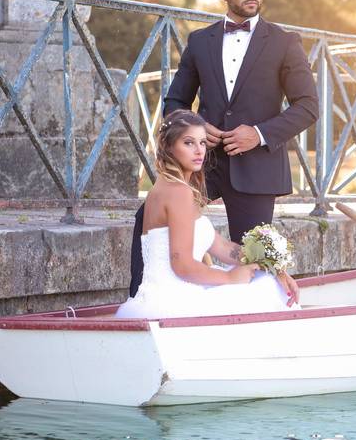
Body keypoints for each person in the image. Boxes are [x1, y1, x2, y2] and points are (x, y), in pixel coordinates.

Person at [128, 0, 318, 297]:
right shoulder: (201, 42)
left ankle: (254, 323)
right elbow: (174, 103)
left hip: (258, 167)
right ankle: (142, 298)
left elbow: (308, 107)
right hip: (206, 165)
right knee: (147, 218)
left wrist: (258, 134)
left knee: (254, 256)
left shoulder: (284, 42)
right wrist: (198, 126)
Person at [116, 110, 300, 319]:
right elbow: (183, 265)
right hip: (173, 299)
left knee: (265, 279)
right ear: (168, 147)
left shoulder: (174, 186)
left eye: (202, 143)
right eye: (188, 143)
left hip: (176, 291)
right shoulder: (177, 192)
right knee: (266, 289)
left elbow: (221, 247)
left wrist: (272, 265)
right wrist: (231, 278)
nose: (198, 151)